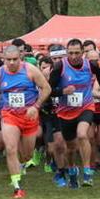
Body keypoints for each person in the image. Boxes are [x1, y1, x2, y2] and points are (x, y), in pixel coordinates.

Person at [0, 45, 51, 199]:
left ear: (20, 58)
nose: (11, 63)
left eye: (14, 59)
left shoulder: (30, 70)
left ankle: (21, 164)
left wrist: (36, 106)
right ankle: (17, 186)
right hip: (9, 115)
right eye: (8, 60)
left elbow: (46, 88)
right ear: (3, 59)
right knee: (10, 148)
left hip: (29, 116)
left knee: (26, 155)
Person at [48, 39, 100, 188]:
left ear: (82, 53)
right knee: (71, 148)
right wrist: (63, 91)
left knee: (82, 134)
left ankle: (87, 171)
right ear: (67, 53)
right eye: (71, 53)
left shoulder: (90, 65)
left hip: (85, 106)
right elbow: (49, 90)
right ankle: (72, 171)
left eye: (77, 53)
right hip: (65, 112)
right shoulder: (60, 66)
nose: (74, 56)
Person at [37, 57, 68, 187]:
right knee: (52, 148)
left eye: (59, 58)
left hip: (66, 113)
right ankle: (60, 169)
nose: (57, 60)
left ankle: (64, 171)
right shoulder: (45, 73)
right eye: (54, 58)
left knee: (66, 146)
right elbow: (44, 92)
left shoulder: (68, 73)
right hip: (50, 114)